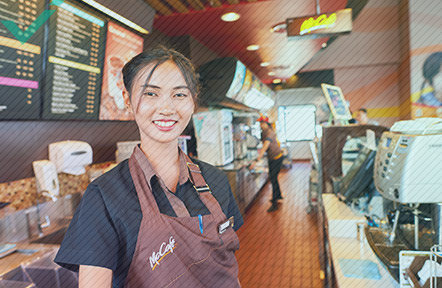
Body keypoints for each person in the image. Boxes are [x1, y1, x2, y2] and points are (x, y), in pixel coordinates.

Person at [54, 47, 244, 288]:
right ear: (127, 100)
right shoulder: (104, 196)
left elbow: (227, 268)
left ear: (193, 101)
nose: (166, 108)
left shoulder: (216, 180)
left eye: (179, 95)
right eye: (151, 94)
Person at [249, 116, 284, 212]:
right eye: (259, 123)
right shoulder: (263, 132)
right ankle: (278, 195)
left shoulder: (270, 132)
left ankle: (275, 204)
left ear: (266, 123)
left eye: (262, 123)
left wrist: (256, 161)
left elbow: (265, 147)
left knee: (273, 179)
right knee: (274, 178)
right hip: (271, 157)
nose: (260, 125)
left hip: (277, 158)